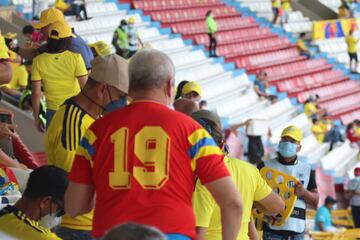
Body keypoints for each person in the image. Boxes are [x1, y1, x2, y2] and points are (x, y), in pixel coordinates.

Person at [65, 49, 243, 240]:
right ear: (169, 86)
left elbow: (75, 206)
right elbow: (233, 203)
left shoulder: (96, 131)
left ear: (130, 86)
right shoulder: (193, 132)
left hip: (112, 234)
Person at [45, 54, 128, 240]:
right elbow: (71, 183)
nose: (123, 103)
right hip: (77, 227)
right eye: (120, 96)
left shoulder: (91, 118)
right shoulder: (73, 124)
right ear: (102, 89)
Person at [192, 110, 285, 240]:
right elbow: (278, 206)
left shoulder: (203, 179)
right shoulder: (250, 171)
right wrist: (251, 202)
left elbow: (198, 234)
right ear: (222, 143)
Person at [258, 125, 319, 240]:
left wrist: (304, 193)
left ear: (299, 147)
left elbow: (315, 201)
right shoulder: (265, 166)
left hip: (297, 233)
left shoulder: (307, 170)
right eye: (285, 140)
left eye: (292, 141)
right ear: (279, 143)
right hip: (272, 231)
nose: (287, 143)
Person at [31, 20, 88, 131]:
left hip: (52, 112)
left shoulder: (38, 61)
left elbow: (36, 93)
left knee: (53, 147)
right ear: (67, 40)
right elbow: (85, 89)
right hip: (73, 110)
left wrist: (36, 117)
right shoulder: (76, 58)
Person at [0, 165, 68, 240]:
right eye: (60, 210)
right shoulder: (43, 237)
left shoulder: (3, 215)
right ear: (45, 201)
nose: (58, 215)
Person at [16, 8, 94, 70]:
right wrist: (13, 48)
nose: (41, 31)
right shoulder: (57, 42)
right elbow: (34, 54)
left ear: (54, 26)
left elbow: (87, 75)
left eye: (43, 27)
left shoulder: (75, 45)